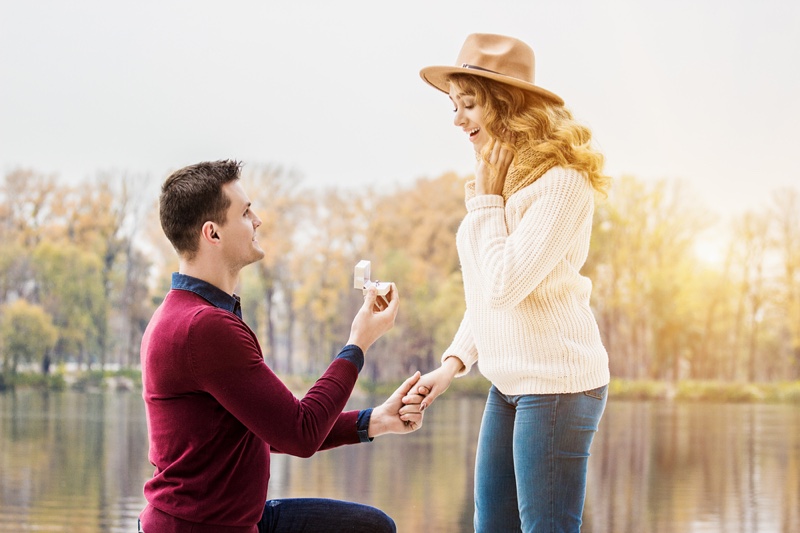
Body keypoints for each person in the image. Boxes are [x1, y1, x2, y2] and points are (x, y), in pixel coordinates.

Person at [139, 159, 423, 533]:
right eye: (244, 212)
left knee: (370, 527)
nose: (257, 220)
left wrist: (375, 422)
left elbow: (272, 427)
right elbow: (300, 432)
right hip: (199, 527)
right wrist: (358, 342)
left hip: (240, 520)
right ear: (213, 233)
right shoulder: (203, 327)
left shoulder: (191, 316)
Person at [405, 33, 611, 532]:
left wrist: (486, 203)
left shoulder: (561, 183)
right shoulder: (502, 180)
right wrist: (451, 365)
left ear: (508, 104)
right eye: (454, 106)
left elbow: (505, 284)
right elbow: (485, 295)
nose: (457, 120)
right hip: (509, 380)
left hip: (557, 385)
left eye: (469, 104)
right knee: (490, 525)